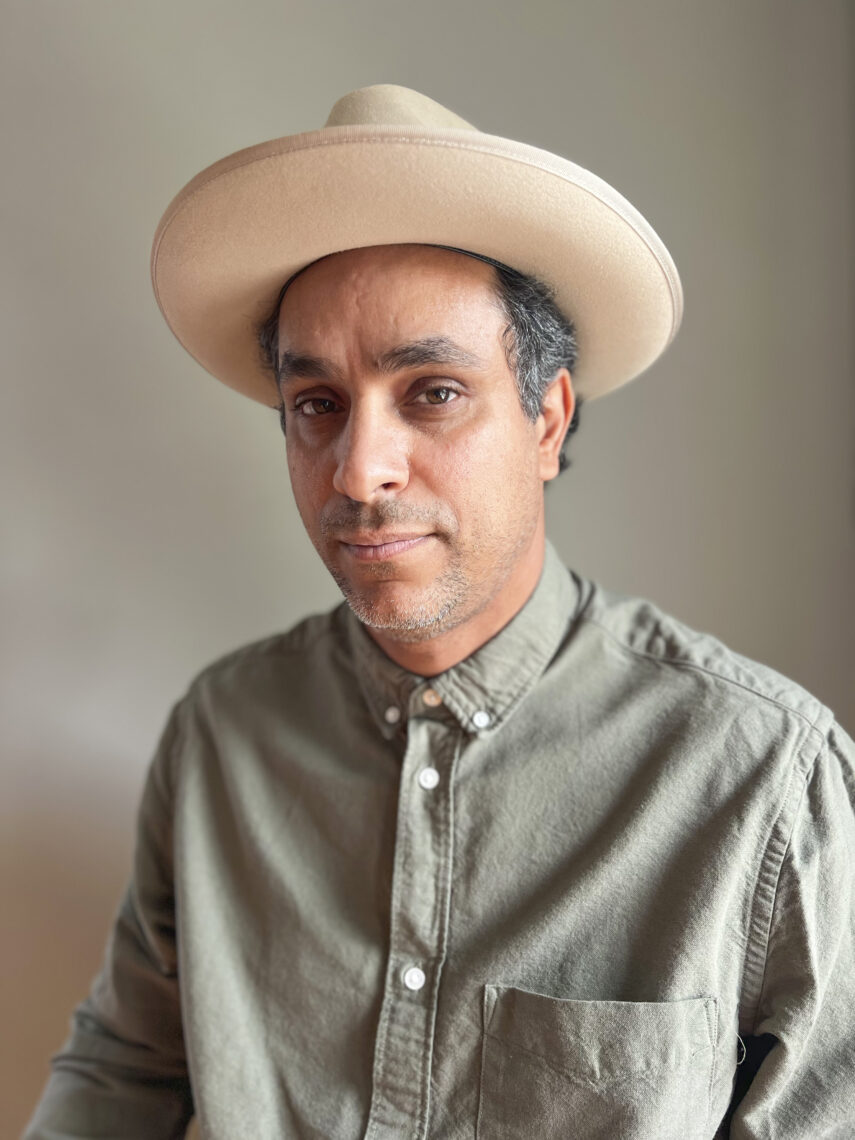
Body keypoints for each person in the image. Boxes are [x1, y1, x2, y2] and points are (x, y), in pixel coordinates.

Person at [25, 85, 854, 1140]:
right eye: (316, 405)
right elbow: (126, 1065)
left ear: (547, 419)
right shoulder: (219, 739)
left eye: (433, 392)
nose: (359, 471)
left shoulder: (762, 777)